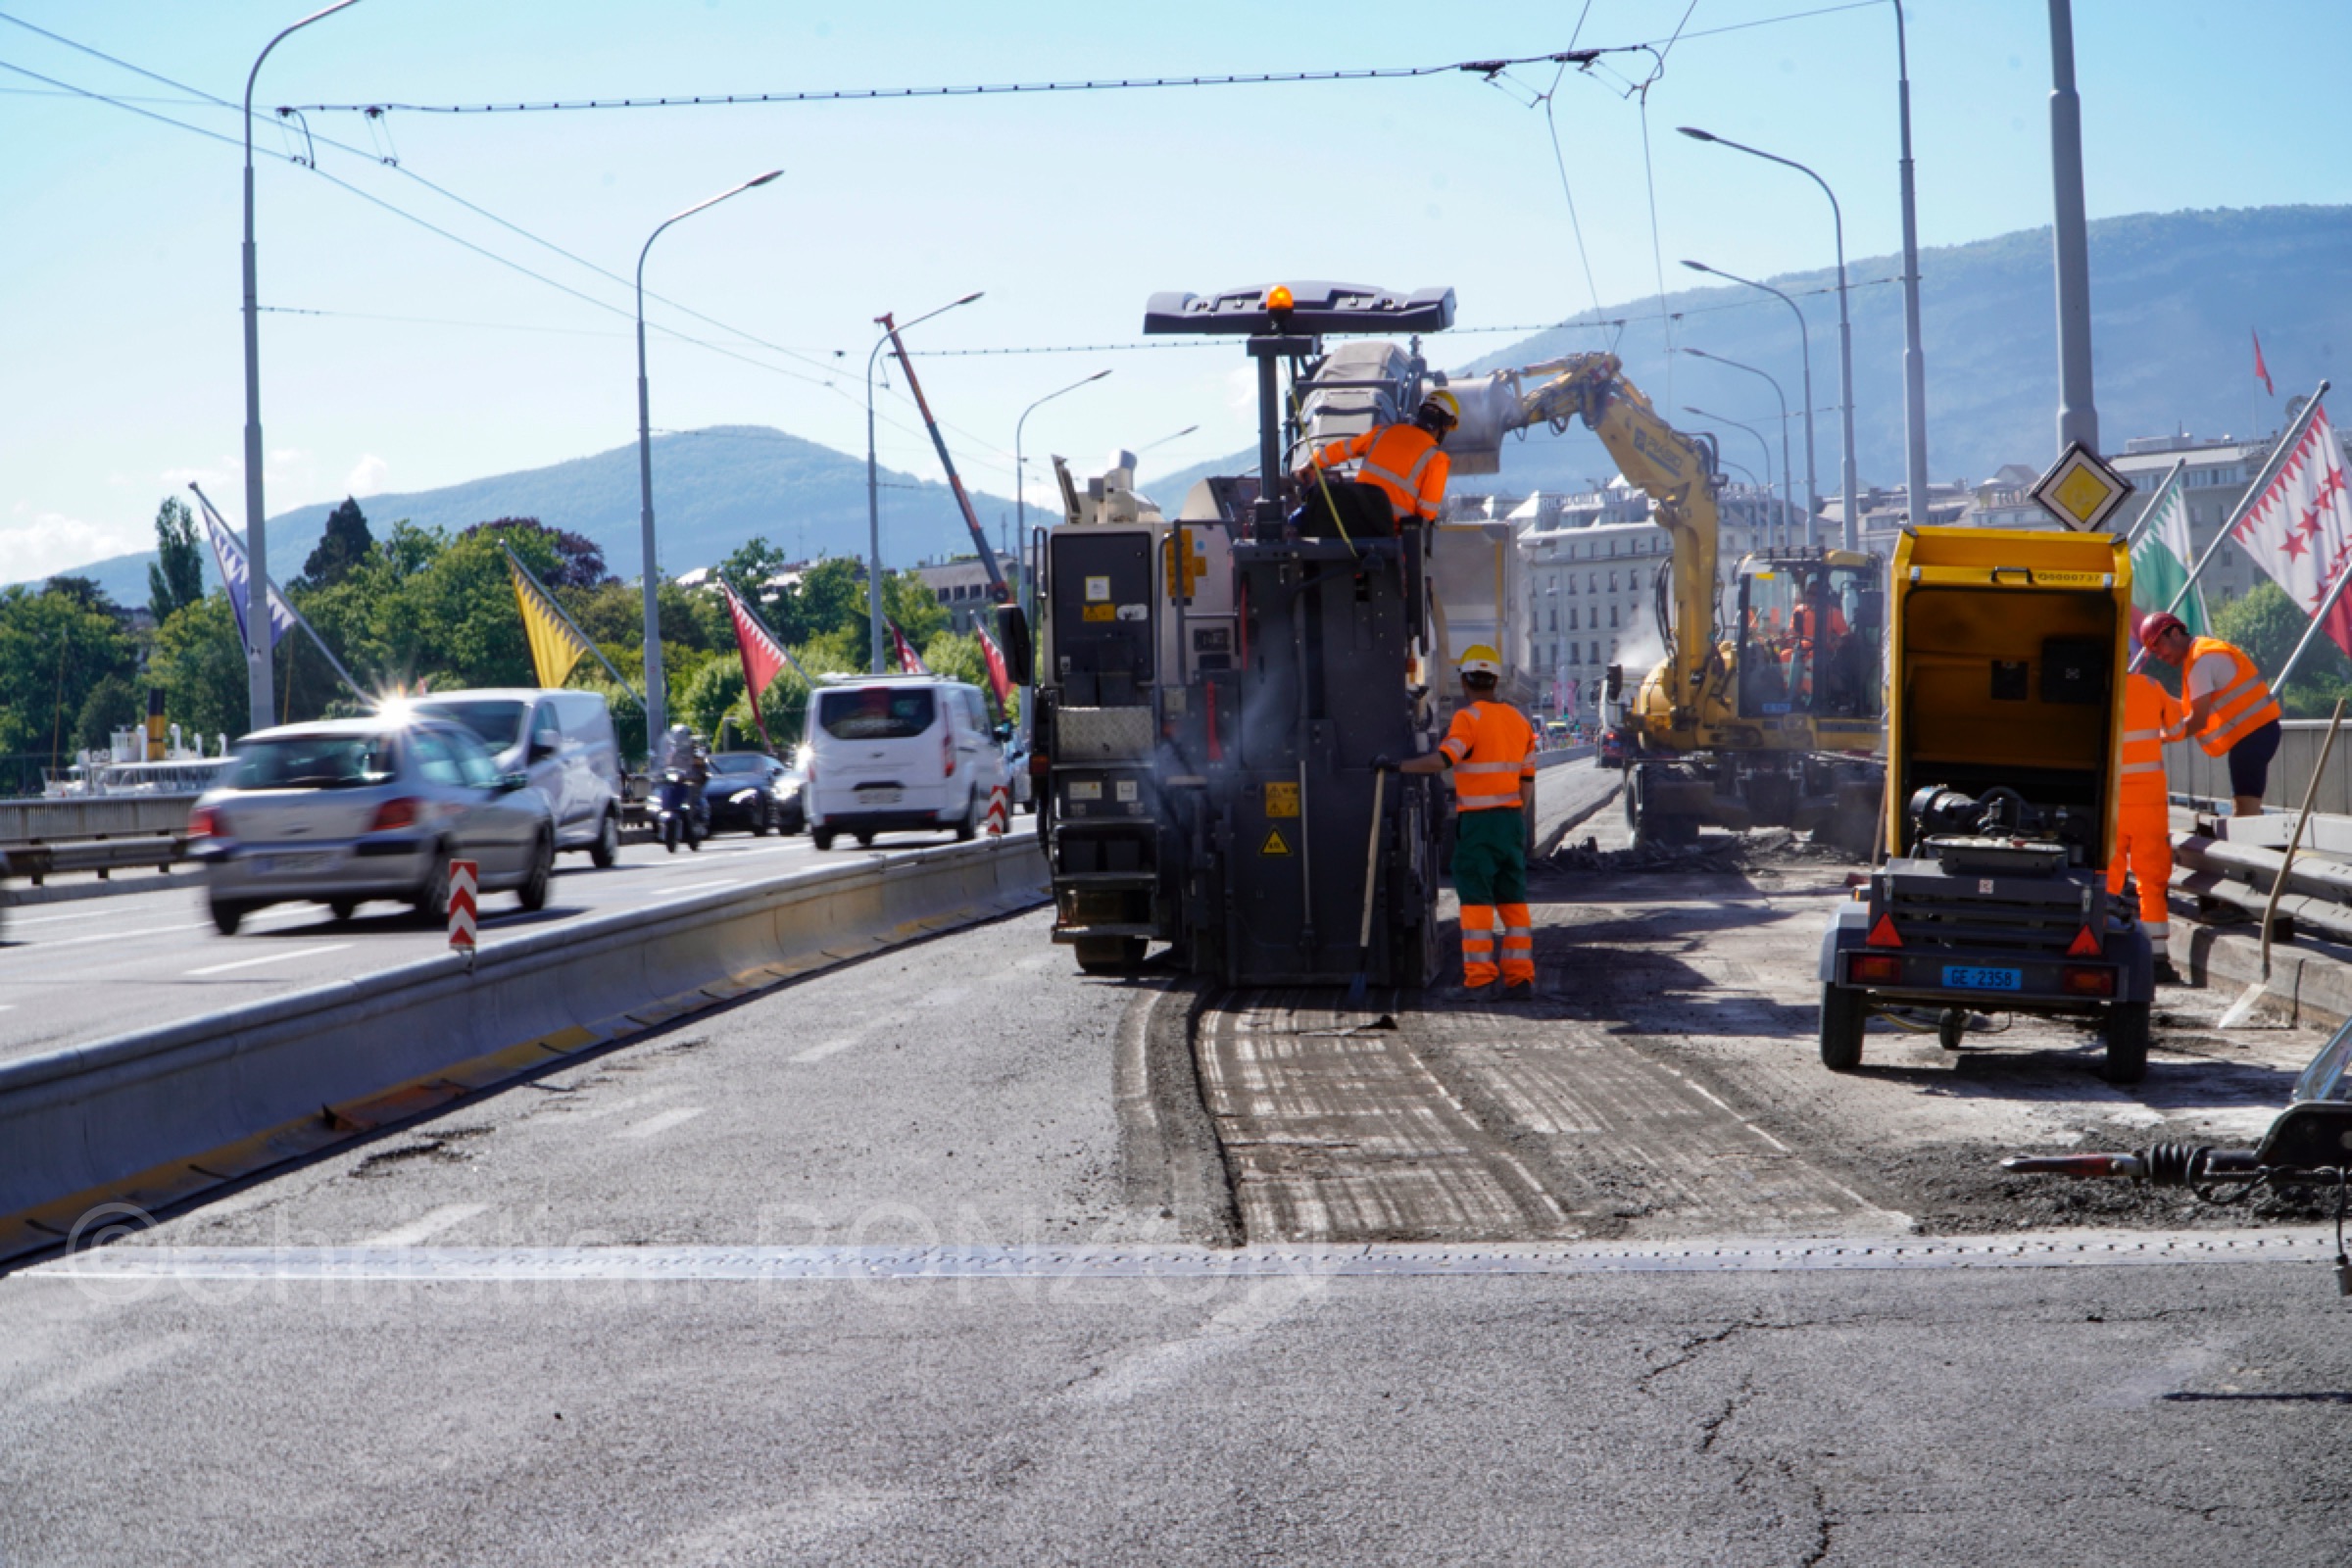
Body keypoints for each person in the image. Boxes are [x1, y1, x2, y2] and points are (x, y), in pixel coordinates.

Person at [1395, 645, 1538, 995]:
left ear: (1465, 682)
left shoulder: (1468, 719)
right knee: (1513, 900)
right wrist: (1513, 816)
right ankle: (1520, 979)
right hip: (1510, 822)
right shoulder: (1519, 721)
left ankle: (1481, 979)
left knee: (1475, 898)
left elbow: (1442, 761)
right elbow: (1527, 780)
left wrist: (1397, 765)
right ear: (1495, 681)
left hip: (1479, 824)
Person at [2137, 612, 2281, 821]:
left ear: (2175, 633)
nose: (2158, 655)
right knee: (2245, 802)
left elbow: (2197, 720)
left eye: (2157, 646)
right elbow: (2192, 709)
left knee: (2245, 807)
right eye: (2153, 651)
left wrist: (2159, 738)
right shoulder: (2200, 655)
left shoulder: (2200, 660)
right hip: (2256, 732)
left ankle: (2254, 848)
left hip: (2252, 734)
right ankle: (2259, 843)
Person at [2112, 669, 2185, 984]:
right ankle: (2156, 958)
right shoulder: (2151, 685)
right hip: (2149, 803)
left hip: (2112, 801)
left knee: (2108, 879)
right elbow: (2179, 729)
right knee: (2152, 882)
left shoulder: (2102, 686)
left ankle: (2107, 945)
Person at [1294, 389, 1459, 526]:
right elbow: (1427, 514)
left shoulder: (1383, 433)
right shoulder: (1437, 458)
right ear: (1445, 425)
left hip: (1354, 520)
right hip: (1392, 536)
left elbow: (1343, 449)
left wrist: (1311, 464)